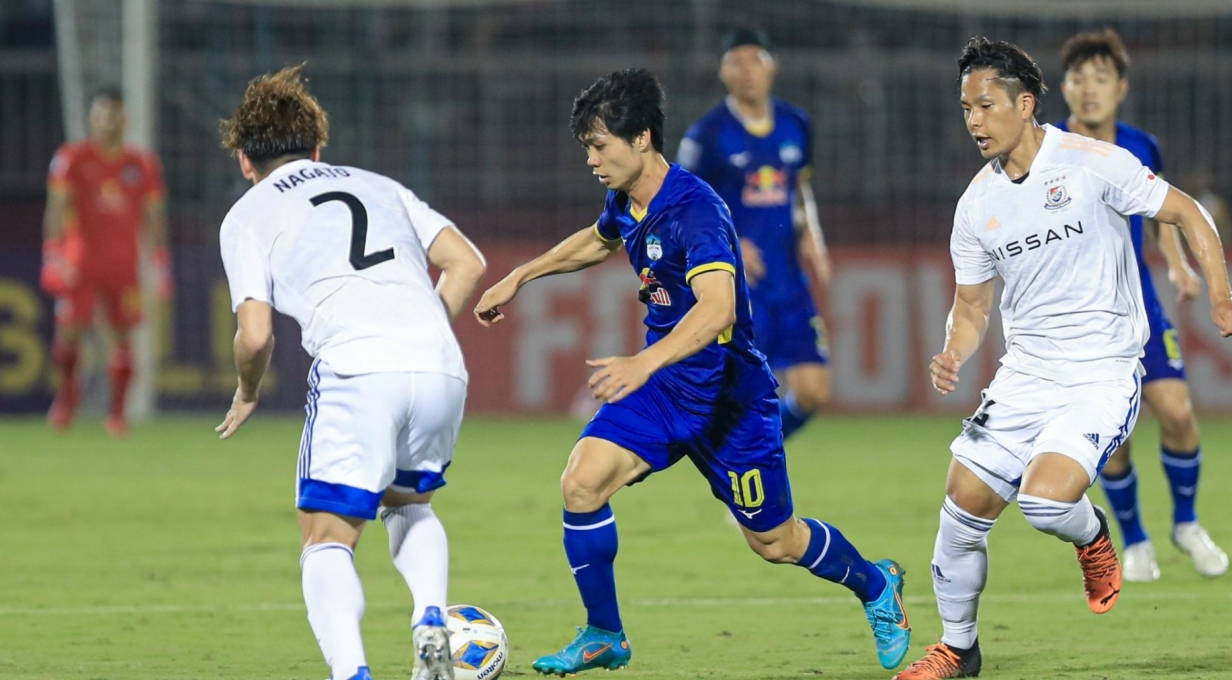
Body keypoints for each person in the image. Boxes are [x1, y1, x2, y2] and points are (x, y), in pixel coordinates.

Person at [474, 68, 911, 675]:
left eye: (601, 146)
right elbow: (599, 240)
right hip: (665, 390)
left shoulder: (696, 210)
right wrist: (521, 275)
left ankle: (876, 585)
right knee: (581, 482)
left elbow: (718, 308)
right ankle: (605, 634)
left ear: (643, 138)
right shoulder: (627, 201)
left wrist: (642, 361)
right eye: (587, 149)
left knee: (775, 542)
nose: (593, 160)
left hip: (730, 401)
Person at [894, 38, 1232, 679]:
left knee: (1046, 504)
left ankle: (1093, 538)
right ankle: (959, 648)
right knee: (961, 505)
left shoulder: (1092, 162)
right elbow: (973, 307)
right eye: (965, 108)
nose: (973, 120)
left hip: (1102, 371)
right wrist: (953, 349)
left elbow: (1187, 213)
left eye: (985, 105)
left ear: (1024, 104)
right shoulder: (976, 204)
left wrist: (1220, 296)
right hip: (1026, 373)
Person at [214, 65, 487, 680]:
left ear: (243, 159)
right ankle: (430, 622)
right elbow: (467, 263)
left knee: (326, 539)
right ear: (317, 149)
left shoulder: (248, 214)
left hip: (359, 367)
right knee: (410, 504)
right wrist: (419, 330)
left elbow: (255, 333)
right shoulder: (381, 186)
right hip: (440, 363)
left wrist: (247, 389)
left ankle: (352, 674)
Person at [1056, 27, 1230, 581]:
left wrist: (1177, 262)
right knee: (1118, 433)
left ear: (1121, 88)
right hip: (1082, 318)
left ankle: (1186, 523)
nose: (1089, 89)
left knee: (1177, 411)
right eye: (1079, 78)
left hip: (1139, 305)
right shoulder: (1047, 149)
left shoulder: (1141, 145)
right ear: (1063, 87)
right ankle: (1134, 541)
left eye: (1100, 78)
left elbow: (1158, 211)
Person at [678, 28, 831, 440]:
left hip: (788, 280)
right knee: (747, 393)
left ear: (772, 65)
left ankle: (748, 454)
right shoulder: (706, 135)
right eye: (737, 62)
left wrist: (811, 233)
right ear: (723, 72)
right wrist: (731, 242)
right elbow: (682, 207)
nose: (747, 71)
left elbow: (800, 188)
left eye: (755, 60)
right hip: (739, 287)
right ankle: (748, 481)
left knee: (813, 391)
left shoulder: (797, 123)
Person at [42, 86, 171, 436]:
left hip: (122, 263)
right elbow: (56, 208)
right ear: (92, 117)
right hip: (79, 261)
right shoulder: (73, 158)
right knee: (70, 335)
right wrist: (52, 253)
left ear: (125, 117)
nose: (109, 119)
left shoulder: (141, 164)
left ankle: (117, 414)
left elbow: (153, 215)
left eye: (115, 112)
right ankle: (66, 401)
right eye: (103, 112)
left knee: (122, 338)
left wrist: (159, 262)